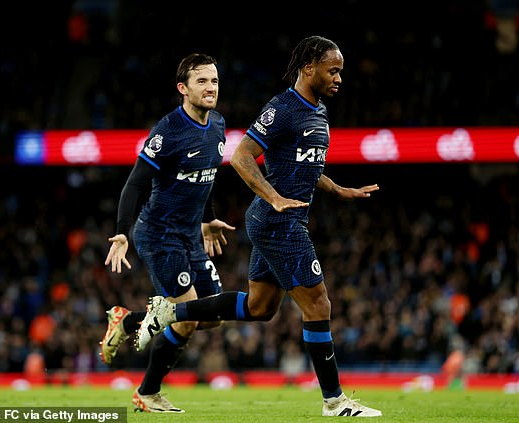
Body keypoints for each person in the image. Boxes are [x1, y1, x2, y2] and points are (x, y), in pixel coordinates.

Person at [135, 35, 382, 418]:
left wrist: (338, 189)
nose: (339, 78)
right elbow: (241, 156)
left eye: (340, 72)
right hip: (278, 221)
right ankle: (335, 402)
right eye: (333, 70)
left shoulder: (318, 110)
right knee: (319, 303)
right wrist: (273, 197)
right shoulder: (283, 108)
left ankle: (170, 313)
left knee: (260, 307)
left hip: (280, 219)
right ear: (309, 68)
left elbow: (303, 165)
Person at [100, 52, 235, 413]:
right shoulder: (168, 131)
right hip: (159, 234)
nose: (211, 87)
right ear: (183, 88)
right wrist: (122, 232)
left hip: (190, 235)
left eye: (215, 81)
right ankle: (147, 394)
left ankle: (128, 320)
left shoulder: (218, 125)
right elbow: (135, 184)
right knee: (187, 318)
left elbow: (205, 178)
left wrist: (207, 219)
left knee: (213, 316)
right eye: (202, 81)